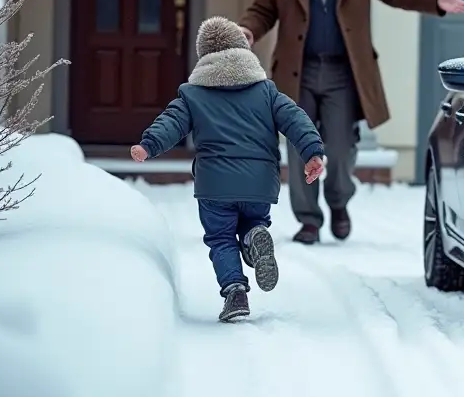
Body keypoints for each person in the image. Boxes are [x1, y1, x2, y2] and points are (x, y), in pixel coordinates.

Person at [237, 0, 464, 244]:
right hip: (296, 72)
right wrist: (248, 30)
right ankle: (309, 221)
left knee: (339, 148)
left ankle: (339, 202)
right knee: (301, 146)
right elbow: (263, 9)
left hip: (343, 74)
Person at [131, 16, 327, 322]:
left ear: (203, 55)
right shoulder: (267, 91)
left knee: (221, 238)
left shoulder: (193, 95)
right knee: (252, 221)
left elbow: (172, 122)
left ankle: (235, 290)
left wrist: (148, 145)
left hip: (215, 186)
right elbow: (296, 118)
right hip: (260, 183)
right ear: (242, 49)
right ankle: (253, 236)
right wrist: (312, 152)